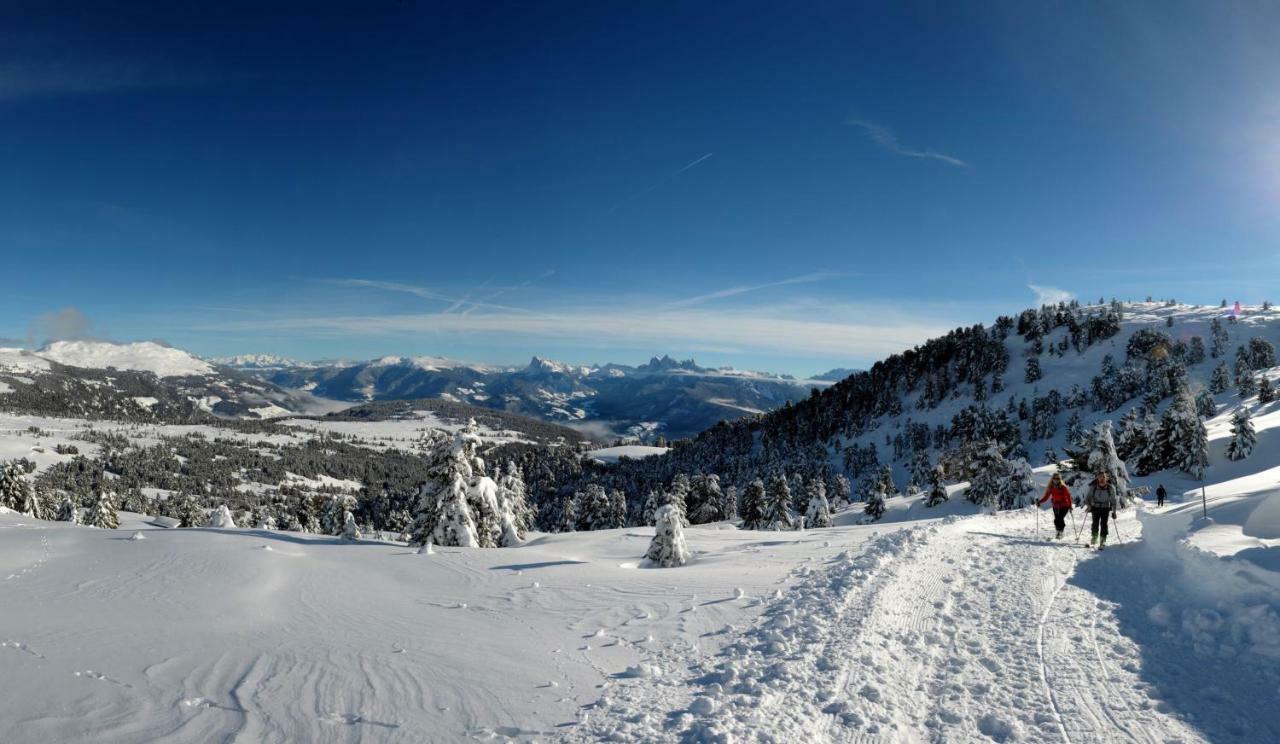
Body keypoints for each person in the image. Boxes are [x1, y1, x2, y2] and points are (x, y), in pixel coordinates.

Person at [1084, 472, 1118, 549]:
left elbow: (1113, 500)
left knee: (1104, 524)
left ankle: (1103, 540)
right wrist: (1089, 506)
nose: (1101, 479)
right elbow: (1087, 498)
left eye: (1103, 477)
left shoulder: (1110, 488)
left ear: (1106, 478)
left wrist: (1114, 512)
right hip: (1095, 508)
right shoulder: (1093, 487)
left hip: (1105, 508)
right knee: (1095, 523)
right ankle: (1094, 537)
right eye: (1100, 477)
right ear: (1097, 478)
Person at [1037, 472, 1072, 539]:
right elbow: (1046, 497)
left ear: (1060, 479)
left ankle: (1060, 532)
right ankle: (1058, 532)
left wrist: (1070, 506)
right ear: (1052, 479)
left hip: (1064, 506)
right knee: (1057, 520)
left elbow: (1068, 496)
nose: (1056, 480)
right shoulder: (1051, 487)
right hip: (1056, 506)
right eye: (1054, 478)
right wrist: (1040, 502)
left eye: (1057, 478)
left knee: (1059, 519)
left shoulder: (1063, 487)